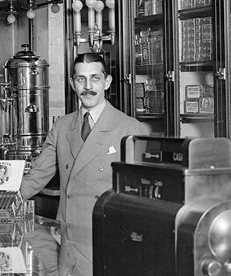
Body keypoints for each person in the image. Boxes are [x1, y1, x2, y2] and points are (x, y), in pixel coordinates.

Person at [20, 52, 146, 231]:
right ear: (73, 84)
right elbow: (37, 176)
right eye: (81, 79)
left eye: (95, 78)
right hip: (68, 231)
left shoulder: (130, 128)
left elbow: (140, 194)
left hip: (107, 231)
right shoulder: (61, 126)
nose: (88, 87)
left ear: (107, 82)